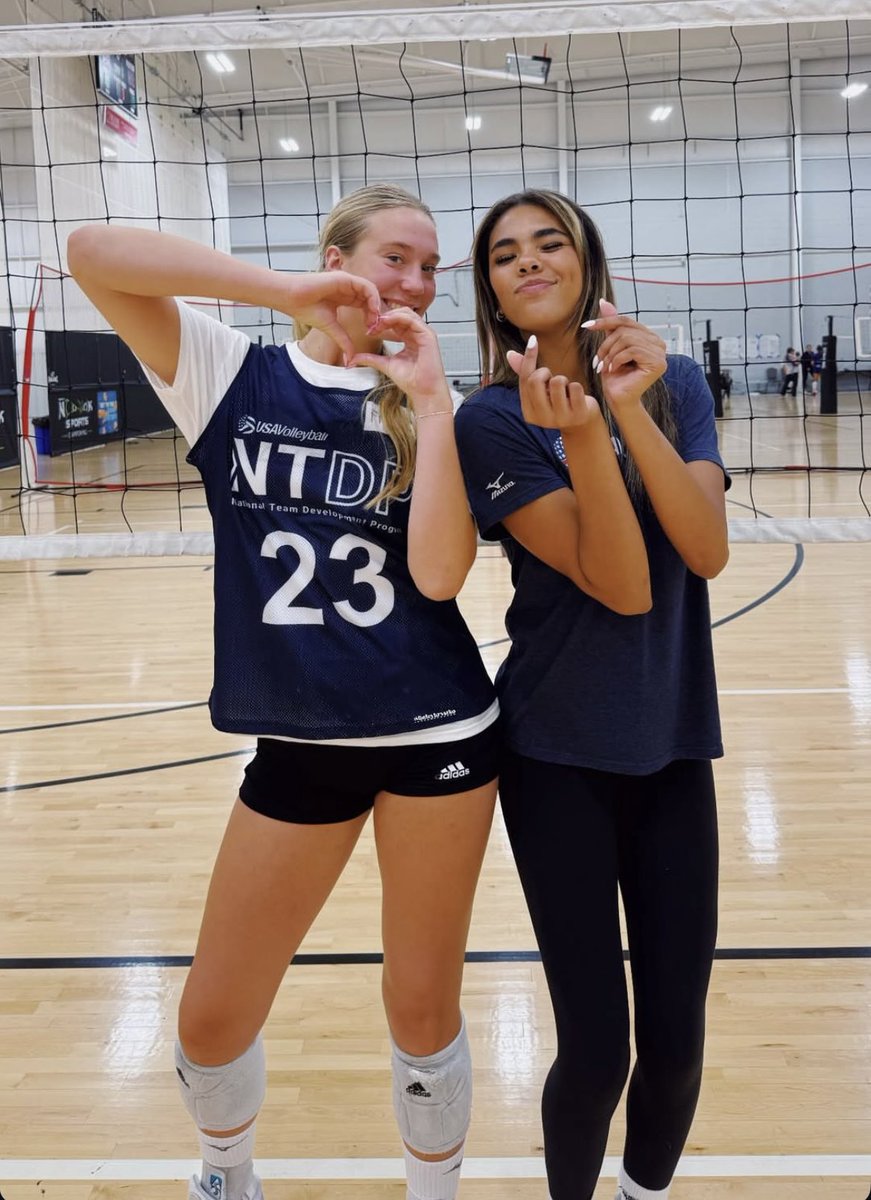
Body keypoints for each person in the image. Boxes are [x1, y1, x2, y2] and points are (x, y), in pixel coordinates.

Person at [67, 183, 500, 1200]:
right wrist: (281, 292)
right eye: (397, 256)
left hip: (438, 730)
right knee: (211, 1017)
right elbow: (91, 250)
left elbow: (440, 579)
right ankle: (228, 1175)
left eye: (431, 268)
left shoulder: (434, 401)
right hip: (299, 741)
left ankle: (432, 1190)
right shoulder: (232, 373)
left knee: (421, 1005)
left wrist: (435, 409)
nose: (417, 282)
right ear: (337, 253)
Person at [453, 188, 730, 1200]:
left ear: (585, 260)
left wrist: (623, 406)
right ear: (488, 288)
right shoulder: (488, 420)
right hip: (555, 753)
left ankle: (641, 1192)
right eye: (501, 255)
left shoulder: (672, 381)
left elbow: (702, 551)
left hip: (672, 742)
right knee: (598, 1050)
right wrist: (576, 433)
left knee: (677, 1044)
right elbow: (617, 582)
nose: (526, 263)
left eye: (546, 243)